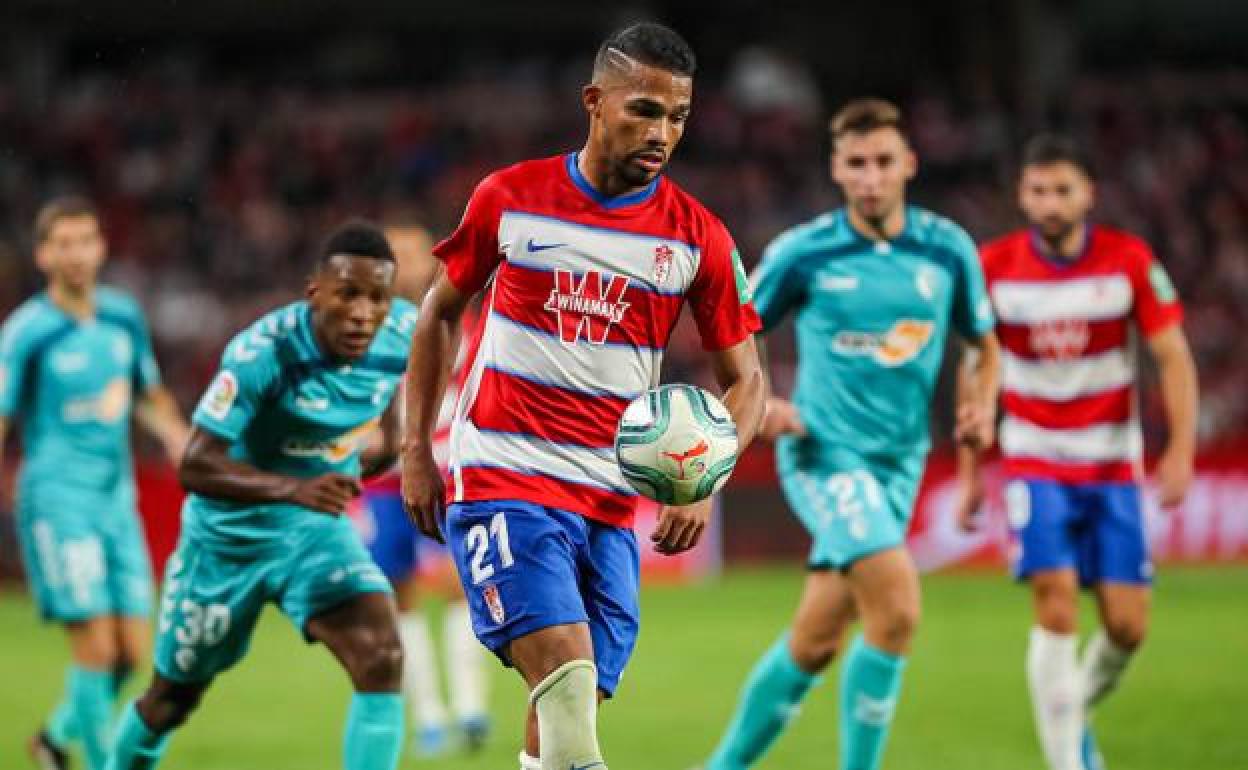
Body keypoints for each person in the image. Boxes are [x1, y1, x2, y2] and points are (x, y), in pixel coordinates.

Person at [400, 22, 766, 770]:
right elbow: (439, 312)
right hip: (502, 473)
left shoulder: (699, 239)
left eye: (678, 117)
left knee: (567, 712)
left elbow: (748, 381)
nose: (663, 132)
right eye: (644, 110)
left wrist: (706, 476)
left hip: (606, 498)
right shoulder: (510, 197)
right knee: (565, 677)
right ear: (594, 102)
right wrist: (415, 449)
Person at [701, 98, 1000, 770]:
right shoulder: (805, 252)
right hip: (824, 454)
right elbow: (734, 333)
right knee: (895, 607)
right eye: (857, 163)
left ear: (909, 164)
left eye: (883, 162)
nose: (871, 177)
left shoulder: (947, 249)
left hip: (902, 463)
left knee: (815, 640)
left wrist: (980, 406)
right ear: (837, 169)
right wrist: (764, 401)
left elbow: (984, 346)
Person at [105, 221, 414, 770]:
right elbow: (197, 464)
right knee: (172, 699)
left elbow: (392, 407)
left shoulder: (399, 336)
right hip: (229, 541)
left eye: (377, 298)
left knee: (382, 656)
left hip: (314, 534)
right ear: (314, 291)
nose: (364, 312)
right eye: (348, 294)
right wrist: (296, 488)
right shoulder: (262, 352)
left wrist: (392, 448)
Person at [964, 134, 1198, 770]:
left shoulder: (1127, 260)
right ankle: (1068, 762)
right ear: (1022, 195)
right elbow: (975, 366)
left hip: (1113, 466)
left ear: (1088, 194)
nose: (1049, 203)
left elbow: (1172, 355)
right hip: (1034, 460)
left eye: (1062, 190)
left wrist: (1179, 450)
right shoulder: (994, 266)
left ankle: (1068, 708)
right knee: (1056, 604)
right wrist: (969, 471)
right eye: (1038, 190)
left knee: (1127, 628)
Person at [0, 197, 188, 770]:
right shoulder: (27, 331)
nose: (77, 254)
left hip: (116, 500)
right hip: (57, 500)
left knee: (136, 654)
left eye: (86, 240)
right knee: (96, 648)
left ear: (101, 248)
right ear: (43, 255)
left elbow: (147, 394)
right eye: (64, 243)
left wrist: (180, 440)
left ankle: (55, 740)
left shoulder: (122, 316)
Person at [353, 219, 489, 756]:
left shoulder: (459, 321)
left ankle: (471, 707)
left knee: (459, 588)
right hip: (385, 485)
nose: (403, 265)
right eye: (394, 255)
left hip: (447, 477)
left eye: (412, 254)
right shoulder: (365, 330)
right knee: (399, 602)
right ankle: (430, 716)